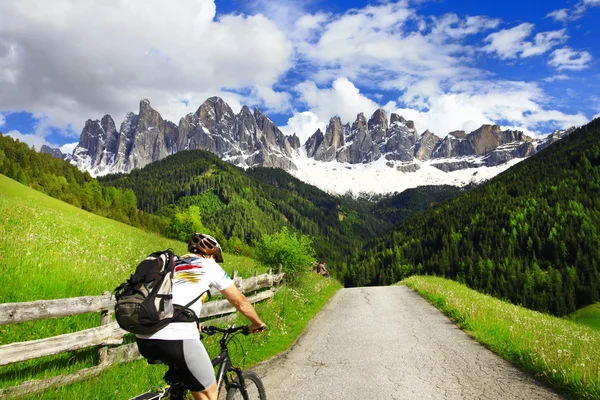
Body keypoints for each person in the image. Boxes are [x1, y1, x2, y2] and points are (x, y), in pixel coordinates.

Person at [135, 233, 266, 400]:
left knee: (185, 384)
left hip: (144, 335)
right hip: (177, 336)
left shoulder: (170, 264)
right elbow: (240, 302)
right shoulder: (209, 266)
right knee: (209, 394)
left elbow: (172, 299)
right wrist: (257, 323)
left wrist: (195, 322)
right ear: (211, 255)